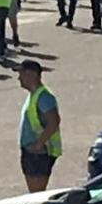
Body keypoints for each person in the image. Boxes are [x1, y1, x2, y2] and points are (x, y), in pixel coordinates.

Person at [14, 60, 62, 193]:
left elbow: (54, 121)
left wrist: (38, 144)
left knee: (37, 194)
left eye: (22, 73)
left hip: (39, 153)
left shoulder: (44, 97)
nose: (19, 78)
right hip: (33, 151)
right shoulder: (35, 95)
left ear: (32, 74)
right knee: (34, 193)